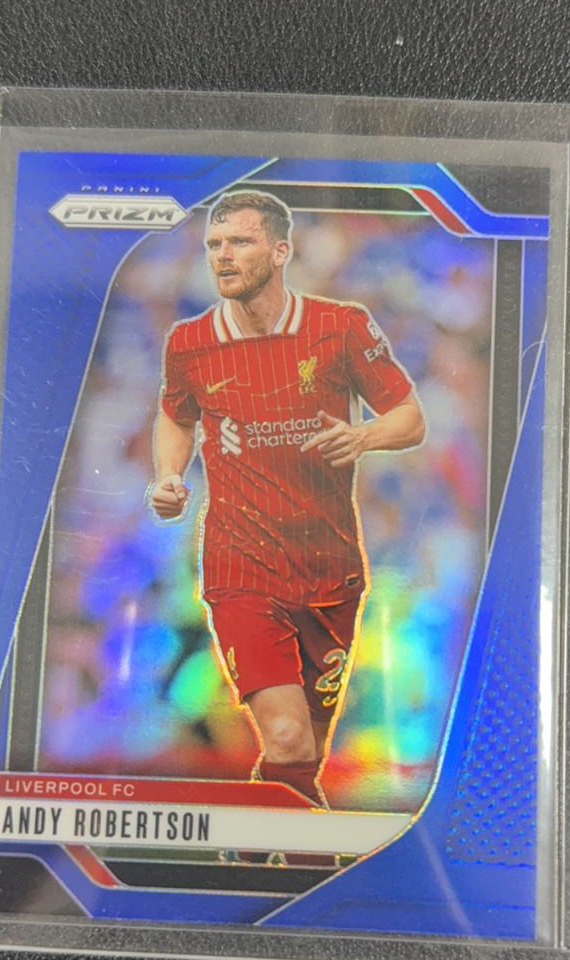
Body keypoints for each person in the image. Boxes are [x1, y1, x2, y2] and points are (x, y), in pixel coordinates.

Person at [146, 191, 424, 806]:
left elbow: (410, 418)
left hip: (330, 571)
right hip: (241, 567)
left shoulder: (341, 327)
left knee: (302, 756)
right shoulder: (189, 342)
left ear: (280, 251)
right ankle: (305, 852)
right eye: (215, 244)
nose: (223, 255)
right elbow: (175, 416)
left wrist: (363, 436)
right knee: (288, 735)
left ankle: (257, 850)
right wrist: (168, 475)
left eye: (240, 242)